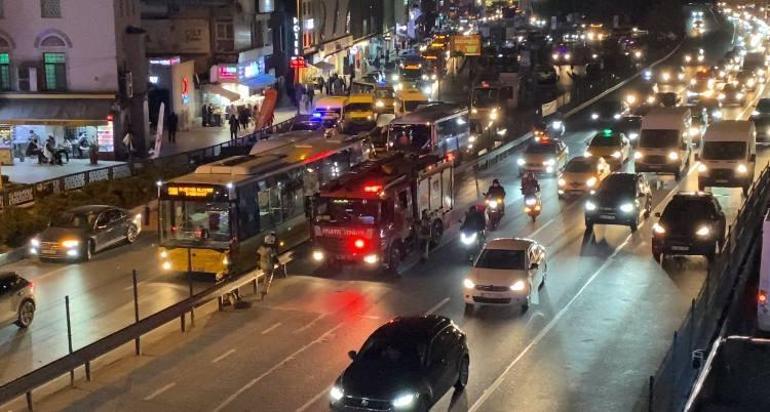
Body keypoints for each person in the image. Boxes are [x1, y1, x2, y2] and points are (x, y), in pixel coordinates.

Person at [258, 231, 279, 298]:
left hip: (262, 264)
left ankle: (263, 290)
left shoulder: (261, 248)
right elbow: (274, 258)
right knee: (268, 278)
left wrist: (258, 264)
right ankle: (264, 291)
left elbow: (257, 256)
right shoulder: (271, 250)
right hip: (269, 265)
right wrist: (279, 263)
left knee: (266, 276)